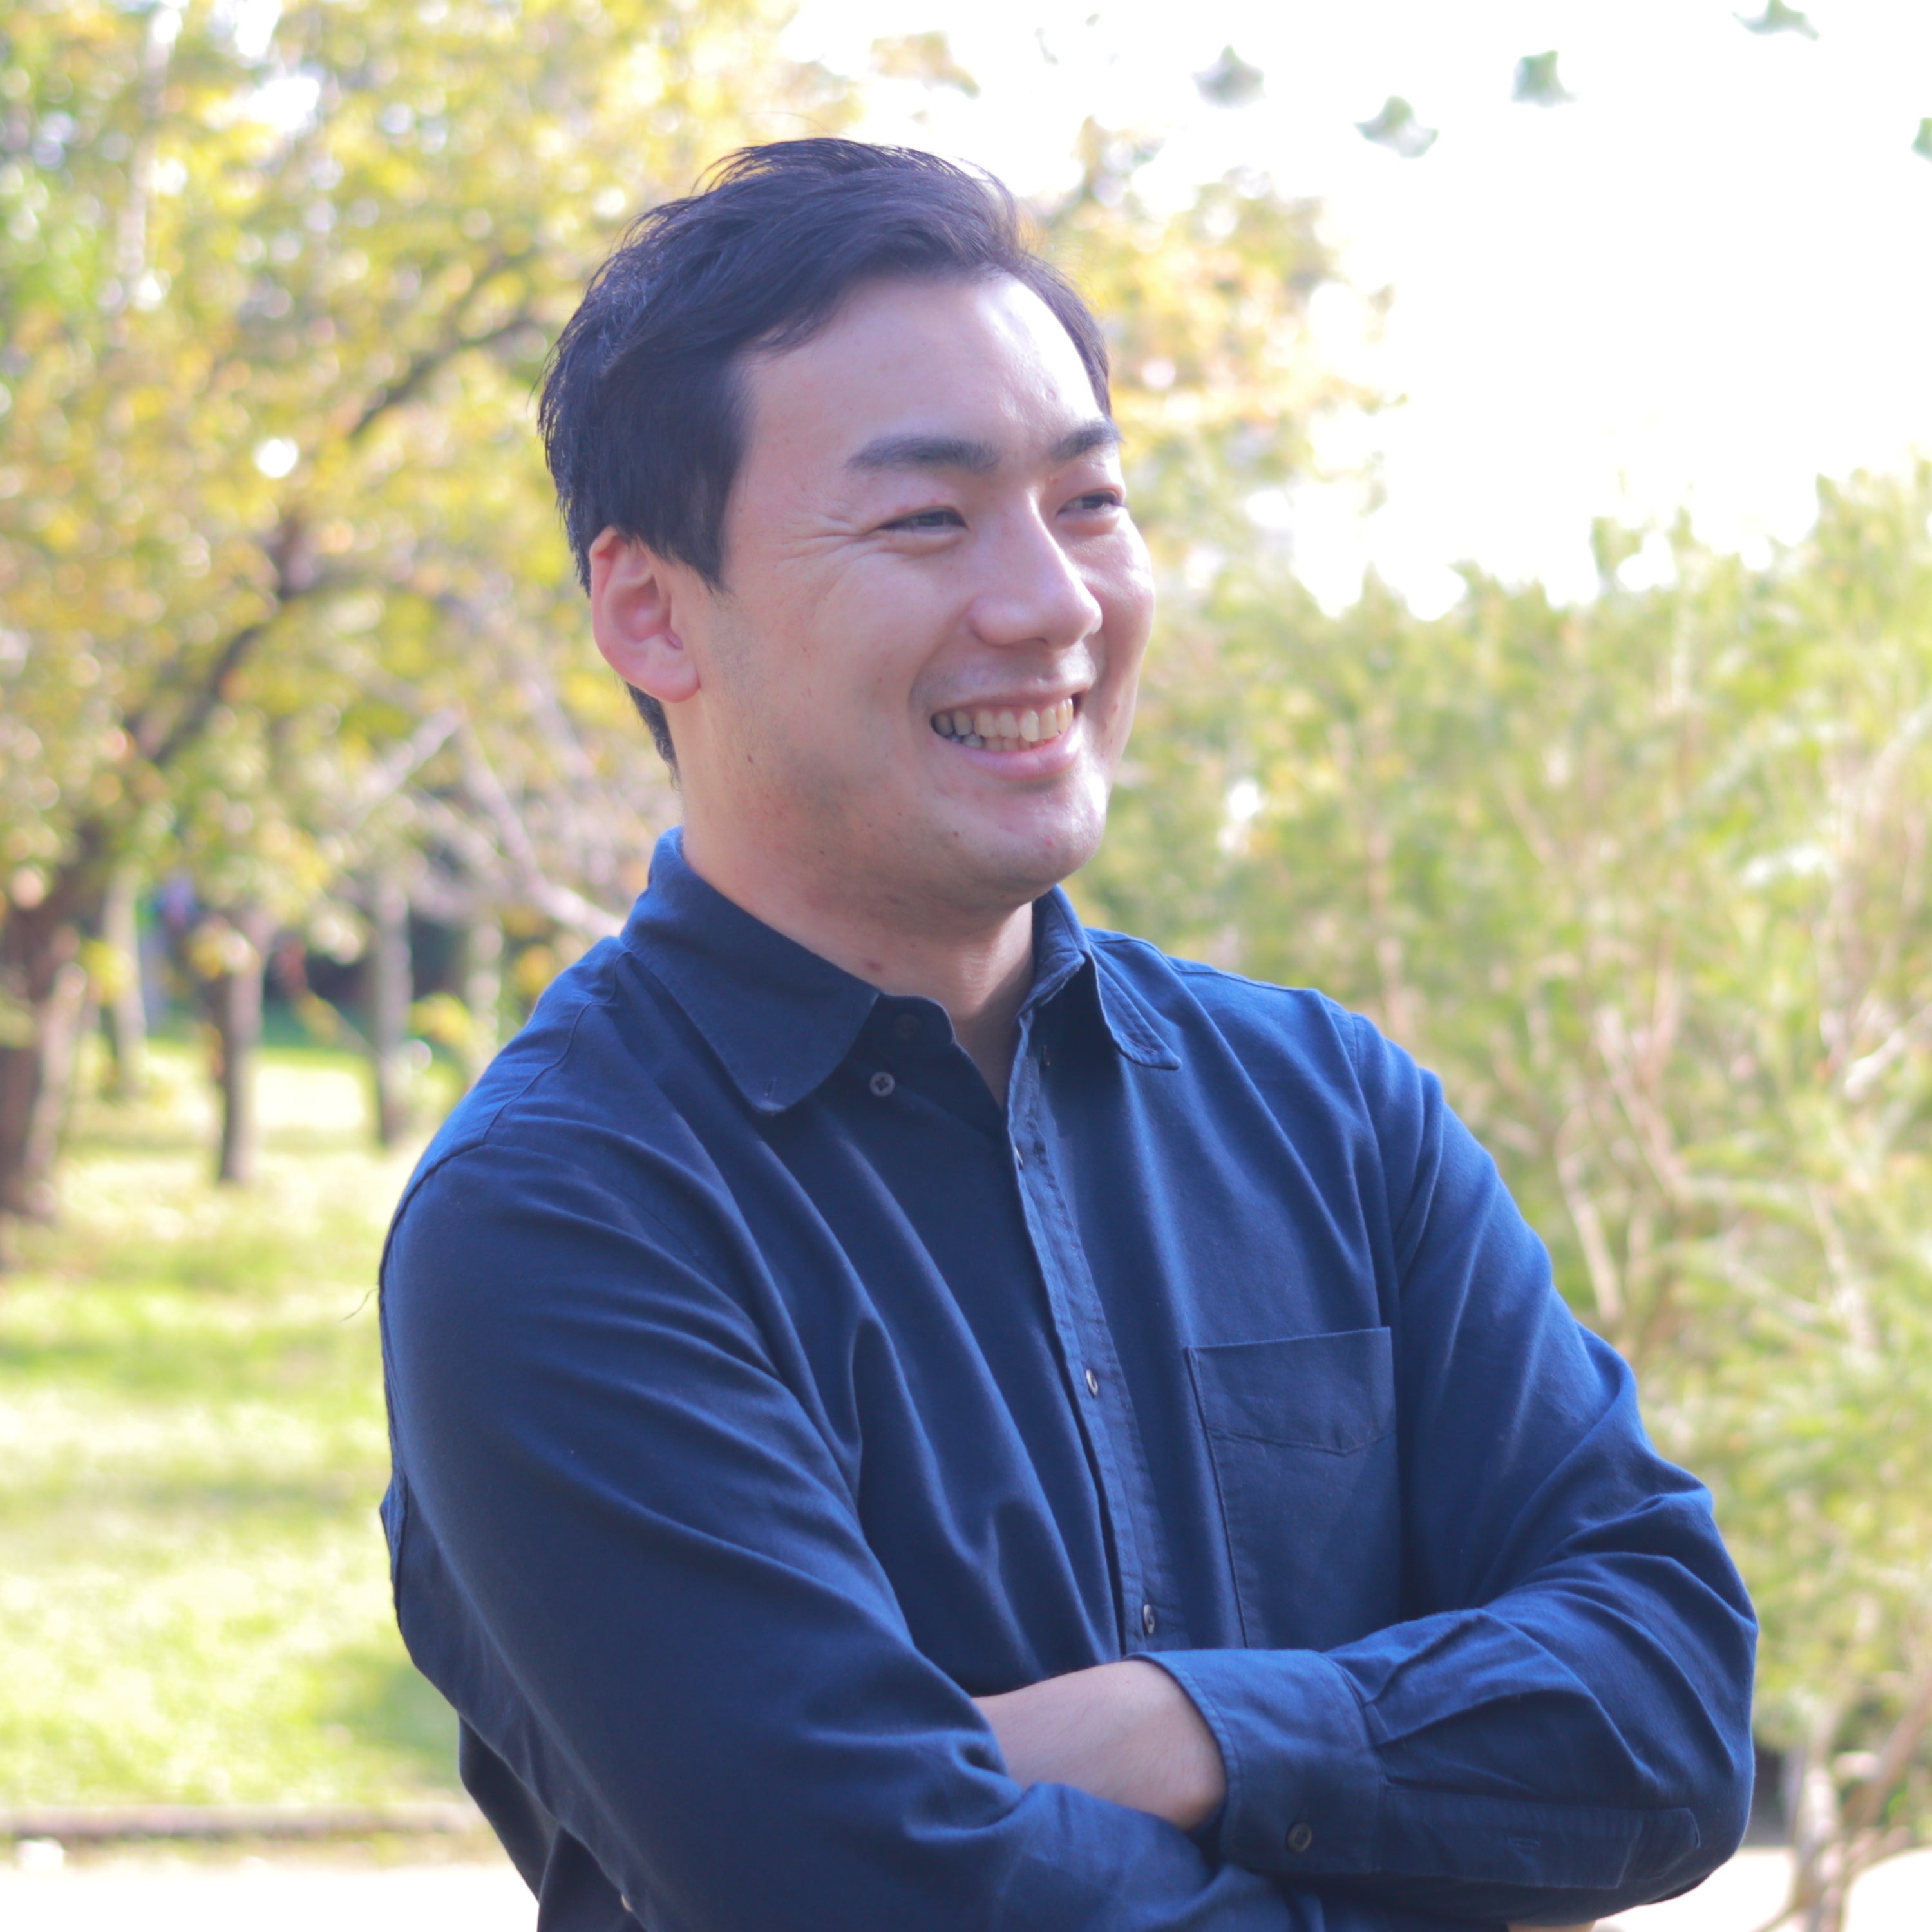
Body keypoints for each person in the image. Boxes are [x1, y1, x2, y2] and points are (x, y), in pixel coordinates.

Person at [379, 139, 1755, 1932]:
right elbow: (877, 1895)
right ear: (652, 611)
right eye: (926, 521)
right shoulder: (562, 1223)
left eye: (1090, 502)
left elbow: (1671, 1708)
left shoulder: (1327, 1111)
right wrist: (1426, 1814)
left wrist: (1173, 1725)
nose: (1051, 602)